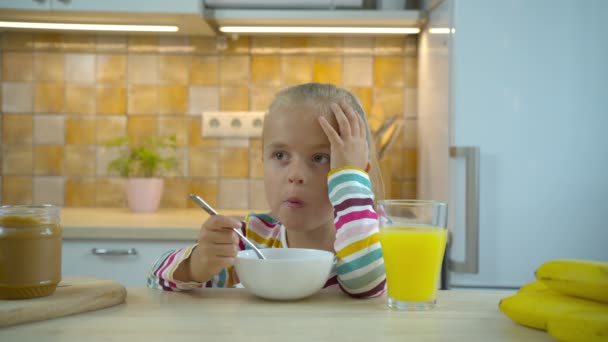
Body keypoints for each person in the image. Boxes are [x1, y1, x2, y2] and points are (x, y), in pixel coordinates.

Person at [147, 82, 386, 298]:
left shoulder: (384, 238)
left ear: (355, 175)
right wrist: (197, 264)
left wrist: (350, 178)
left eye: (321, 158)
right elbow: (155, 277)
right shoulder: (251, 239)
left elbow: (364, 281)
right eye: (280, 155)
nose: (295, 175)